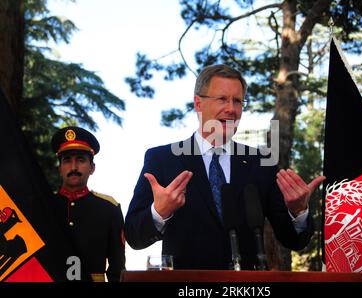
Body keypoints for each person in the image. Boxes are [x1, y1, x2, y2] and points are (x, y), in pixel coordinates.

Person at [125, 64, 325, 270]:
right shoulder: (163, 159)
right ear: (198, 103)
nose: (231, 109)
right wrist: (160, 212)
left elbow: (293, 240)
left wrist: (298, 210)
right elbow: (134, 236)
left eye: (237, 101)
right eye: (222, 99)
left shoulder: (260, 162)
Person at [51, 126, 125, 281]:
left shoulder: (109, 208)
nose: (73, 167)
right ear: (60, 168)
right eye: (67, 160)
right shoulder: (43, 205)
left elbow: (117, 268)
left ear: (92, 168)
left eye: (81, 160)